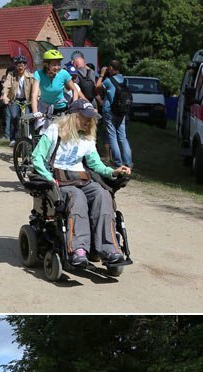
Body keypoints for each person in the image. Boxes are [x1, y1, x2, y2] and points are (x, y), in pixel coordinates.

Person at [31, 99, 130, 275]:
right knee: (77, 198)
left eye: (90, 118)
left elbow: (96, 165)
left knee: (103, 194)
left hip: (81, 177)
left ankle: (109, 249)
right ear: (73, 116)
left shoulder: (87, 138)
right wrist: (48, 178)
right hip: (59, 178)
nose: (88, 121)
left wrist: (113, 172)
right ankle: (78, 249)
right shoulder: (55, 130)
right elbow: (37, 157)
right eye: (84, 117)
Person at [96, 60, 133, 169]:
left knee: (112, 136)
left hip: (110, 111)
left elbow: (97, 86)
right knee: (123, 137)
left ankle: (117, 162)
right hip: (122, 112)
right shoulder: (125, 80)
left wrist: (102, 74)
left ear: (111, 68)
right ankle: (128, 163)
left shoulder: (108, 81)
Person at [31, 49, 80, 125]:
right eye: (54, 64)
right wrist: (35, 112)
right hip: (44, 107)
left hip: (61, 107)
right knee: (42, 131)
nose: (57, 67)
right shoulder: (38, 74)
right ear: (46, 65)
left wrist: (74, 105)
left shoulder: (64, 73)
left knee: (62, 132)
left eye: (59, 64)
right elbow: (34, 95)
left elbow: (75, 90)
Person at [1, 56, 34, 144]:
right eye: (18, 64)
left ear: (25, 66)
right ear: (15, 66)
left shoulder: (30, 76)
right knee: (14, 117)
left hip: (26, 100)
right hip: (15, 100)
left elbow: (35, 88)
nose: (20, 67)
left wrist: (37, 97)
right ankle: (13, 139)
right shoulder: (11, 75)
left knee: (27, 119)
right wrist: (5, 96)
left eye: (22, 64)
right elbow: (6, 86)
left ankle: (29, 137)